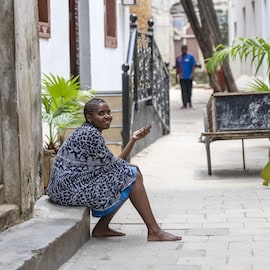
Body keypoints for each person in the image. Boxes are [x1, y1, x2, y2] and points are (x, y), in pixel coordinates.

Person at [47, 98, 181, 241]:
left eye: (108, 112)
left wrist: (133, 139)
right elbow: (116, 165)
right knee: (131, 175)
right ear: (89, 117)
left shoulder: (89, 131)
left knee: (129, 173)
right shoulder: (90, 135)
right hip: (67, 190)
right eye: (101, 113)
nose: (107, 116)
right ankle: (154, 231)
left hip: (67, 186)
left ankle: (102, 227)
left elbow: (114, 165)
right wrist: (133, 141)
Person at [175, 44, 197, 109]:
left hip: (189, 77)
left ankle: (189, 103)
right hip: (182, 77)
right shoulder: (178, 58)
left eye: (185, 49)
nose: (184, 50)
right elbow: (177, 67)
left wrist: (192, 74)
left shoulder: (191, 57)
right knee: (183, 91)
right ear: (181, 50)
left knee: (189, 91)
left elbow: (193, 66)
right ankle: (184, 104)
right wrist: (176, 76)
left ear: (187, 50)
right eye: (182, 49)